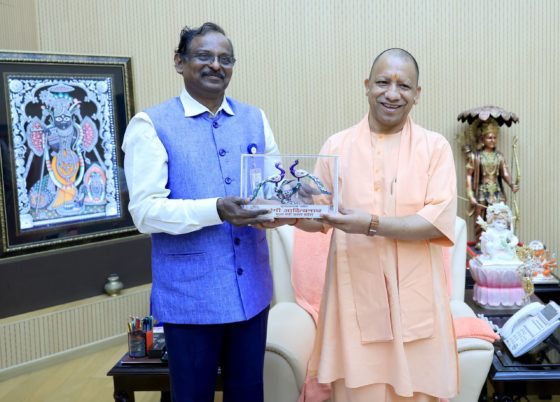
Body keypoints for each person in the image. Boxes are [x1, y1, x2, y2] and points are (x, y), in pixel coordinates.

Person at [122, 22, 280, 402]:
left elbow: (271, 189)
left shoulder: (255, 118)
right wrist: (216, 209)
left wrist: (296, 195)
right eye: (204, 56)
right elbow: (145, 212)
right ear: (179, 62)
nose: (216, 65)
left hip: (252, 293)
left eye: (225, 59)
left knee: (249, 394)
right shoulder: (150, 125)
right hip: (190, 299)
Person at [297, 48, 458, 401]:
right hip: (353, 299)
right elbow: (318, 217)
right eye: (383, 82)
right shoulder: (337, 145)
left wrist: (371, 223)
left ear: (417, 94)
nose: (392, 93)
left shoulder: (435, 148)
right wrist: (286, 210)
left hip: (415, 301)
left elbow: (437, 223)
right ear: (367, 86)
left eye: (404, 86)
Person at [464, 119, 519, 241]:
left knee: (500, 216)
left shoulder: (499, 156)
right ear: (482, 139)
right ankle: (480, 241)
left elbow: (505, 173)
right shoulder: (475, 157)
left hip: (497, 192)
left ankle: (500, 241)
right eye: (489, 138)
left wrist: (511, 184)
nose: (492, 140)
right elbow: (468, 176)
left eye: (494, 138)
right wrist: (470, 195)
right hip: (482, 191)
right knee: (480, 218)